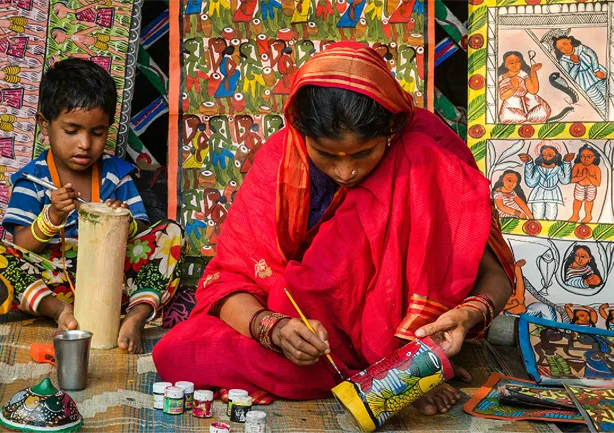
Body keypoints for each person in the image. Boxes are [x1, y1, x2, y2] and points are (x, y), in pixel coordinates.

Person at [153, 43, 515, 415]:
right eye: (326, 154)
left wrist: (467, 316)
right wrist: (274, 329)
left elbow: (495, 276)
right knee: (176, 353)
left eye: (363, 153)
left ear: (391, 128)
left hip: (407, 335)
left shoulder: (428, 151)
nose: (346, 173)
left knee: (419, 160)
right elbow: (230, 280)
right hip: (318, 337)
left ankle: (404, 368)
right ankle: (381, 377)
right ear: (301, 133)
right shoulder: (279, 162)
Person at [0, 59, 184, 354]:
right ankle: (58, 311)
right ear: (44, 124)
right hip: (54, 281)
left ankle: (136, 315)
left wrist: (122, 220)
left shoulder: (116, 175)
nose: (85, 144)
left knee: (171, 233)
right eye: (72, 130)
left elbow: (142, 233)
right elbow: (23, 244)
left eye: (98, 132)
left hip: (113, 283)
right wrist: (51, 217)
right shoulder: (33, 179)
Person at [553, 36, 608, 115]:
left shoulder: (580, 48)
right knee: (601, 105)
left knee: (609, 95)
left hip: (596, 75)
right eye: (561, 48)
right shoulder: (563, 60)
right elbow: (571, 77)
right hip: (586, 84)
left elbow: (592, 55)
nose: (565, 48)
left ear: (570, 41)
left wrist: (596, 70)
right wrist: (576, 64)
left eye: (565, 44)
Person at [519, 145, 573, 220]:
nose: (546, 158)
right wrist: (529, 163)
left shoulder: (558, 168)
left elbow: (565, 181)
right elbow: (531, 183)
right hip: (538, 194)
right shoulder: (538, 168)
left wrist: (566, 163)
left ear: (556, 156)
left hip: (553, 194)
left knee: (551, 217)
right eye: (544, 155)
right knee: (537, 216)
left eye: (550, 155)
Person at [497, 52, 551, 124]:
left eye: (518, 62)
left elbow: (533, 91)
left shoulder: (523, 74)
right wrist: (514, 88)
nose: (515, 65)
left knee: (542, 113)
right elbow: (503, 96)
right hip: (512, 103)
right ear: (505, 65)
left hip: (530, 101)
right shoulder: (502, 77)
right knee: (510, 118)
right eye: (511, 63)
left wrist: (533, 71)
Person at [569, 144, 602, 223]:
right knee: (577, 200)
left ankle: (588, 215)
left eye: (589, 156)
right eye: (582, 156)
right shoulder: (577, 166)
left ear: (594, 157)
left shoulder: (596, 168)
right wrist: (582, 177)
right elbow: (572, 180)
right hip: (580, 186)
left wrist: (588, 176)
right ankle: (575, 215)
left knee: (589, 201)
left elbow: (598, 183)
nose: (585, 159)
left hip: (591, 187)